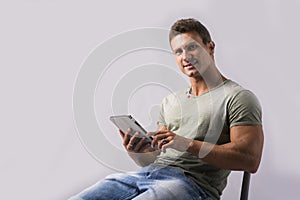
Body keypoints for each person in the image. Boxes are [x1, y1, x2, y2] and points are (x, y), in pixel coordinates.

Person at [69, 18, 264, 200]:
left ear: (210, 47)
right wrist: (138, 151)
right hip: (147, 176)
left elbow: (250, 160)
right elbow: (154, 159)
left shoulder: (237, 97)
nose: (185, 57)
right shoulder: (171, 101)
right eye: (178, 51)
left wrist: (187, 144)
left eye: (192, 47)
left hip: (194, 186)